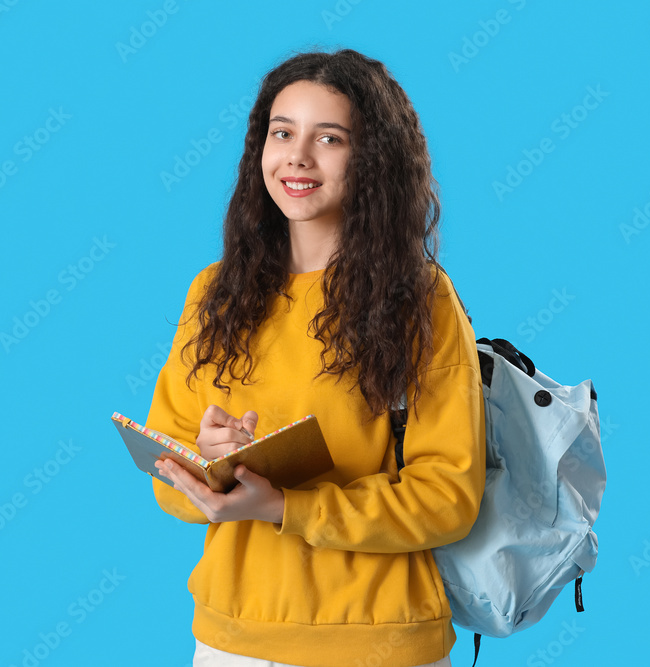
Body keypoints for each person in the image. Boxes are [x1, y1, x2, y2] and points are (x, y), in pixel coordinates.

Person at [145, 48, 485, 667]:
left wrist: (282, 505)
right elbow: (168, 468)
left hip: (377, 643)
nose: (297, 157)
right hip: (232, 642)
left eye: (329, 138)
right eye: (282, 133)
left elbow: (447, 498)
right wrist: (209, 465)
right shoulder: (213, 293)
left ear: (373, 160)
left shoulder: (421, 300)